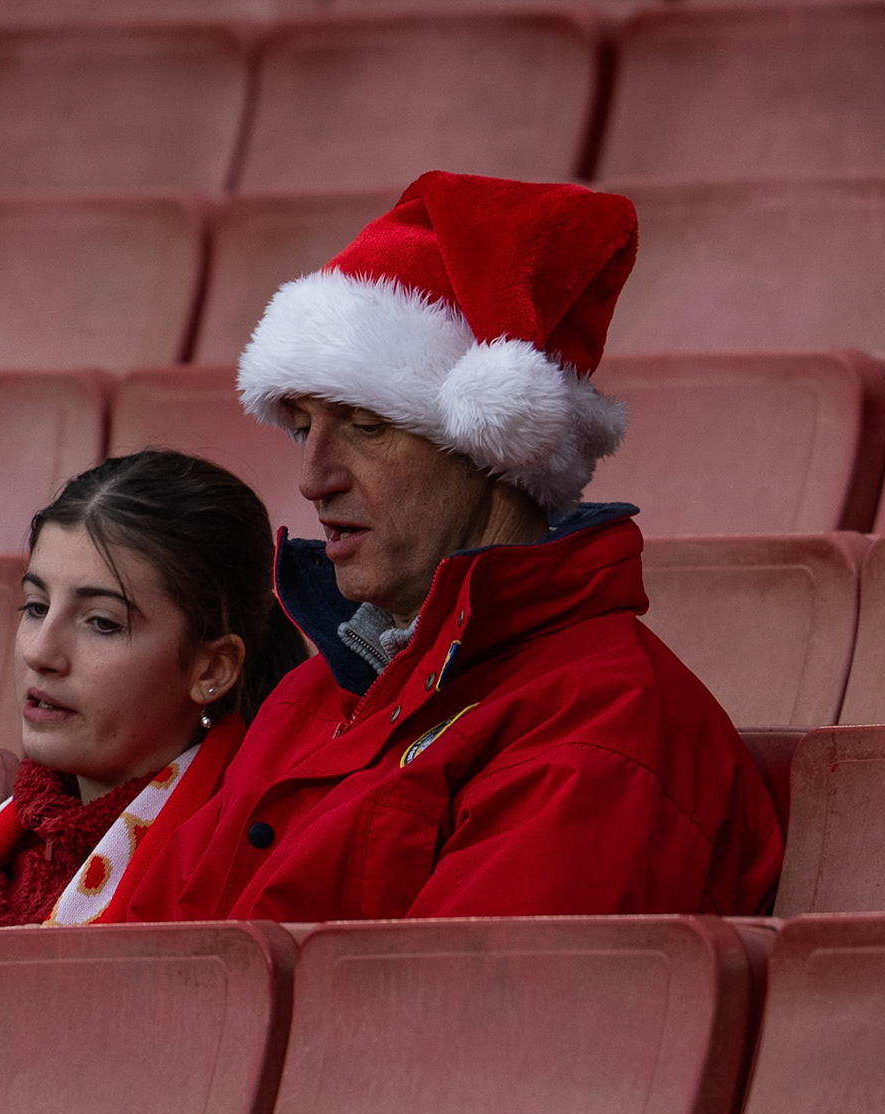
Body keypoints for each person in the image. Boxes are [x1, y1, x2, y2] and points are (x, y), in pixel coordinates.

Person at [122, 171, 783, 923]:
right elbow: (138, 970)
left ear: (492, 449)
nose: (313, 480)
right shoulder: (313, 694)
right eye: (305, 427)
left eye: (367, 427)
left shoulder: (603, 723)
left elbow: (461, 1024)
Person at [0, 451, 308, 930]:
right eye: (35, 607)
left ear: (212, 669)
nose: (41, 653)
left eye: (102, 623)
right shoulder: (4, 848)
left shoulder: (241, 878)